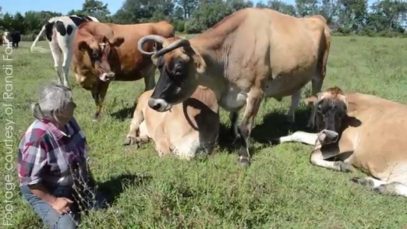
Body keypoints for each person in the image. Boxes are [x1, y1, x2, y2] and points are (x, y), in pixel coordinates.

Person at [18, 83, 101, 228]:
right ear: (58, 111)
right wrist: (55, 201)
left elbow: (80, 153)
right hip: (44, 189)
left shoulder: (69, 121)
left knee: (101, 206)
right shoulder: (38, 138)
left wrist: (87, 182)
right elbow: (31, 182)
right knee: (67, 226)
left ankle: (77, 197)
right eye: (70, 103)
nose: (75, 105)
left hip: (71, 181)